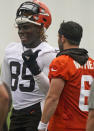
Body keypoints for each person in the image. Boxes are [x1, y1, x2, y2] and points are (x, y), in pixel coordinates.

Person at [1, 0, 57, 131]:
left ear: (39, 28)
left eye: (26, 27)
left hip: (37, 111)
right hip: (16, 113)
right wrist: (3, 116)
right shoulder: (10, 50)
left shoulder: (48, 53)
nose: (21, 31)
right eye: (19, 27)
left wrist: (34, 68)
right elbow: (5, 89)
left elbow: (50, 92)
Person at [38, 21, 94, 131]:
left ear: (62, 38)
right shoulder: (92, 63)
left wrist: (42, 125)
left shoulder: (61, 62)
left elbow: (53, 98)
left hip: (64, 126)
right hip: (86, 125)